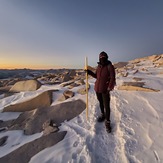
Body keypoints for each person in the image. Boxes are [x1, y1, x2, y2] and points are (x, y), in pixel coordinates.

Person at [86, 51, 116, 133]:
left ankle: (107, 122)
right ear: (99, 58)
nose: (102, 58)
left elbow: (113, 79)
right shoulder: (98, 67)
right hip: (97, 89)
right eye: (101, 57)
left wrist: (109, 88)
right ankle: (103, 115)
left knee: (107, 106)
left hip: (105, 90)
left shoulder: (110, 66)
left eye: (104, 57)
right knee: (101, 103)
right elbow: (97, 76)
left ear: (106, 57)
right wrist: (90, 72)